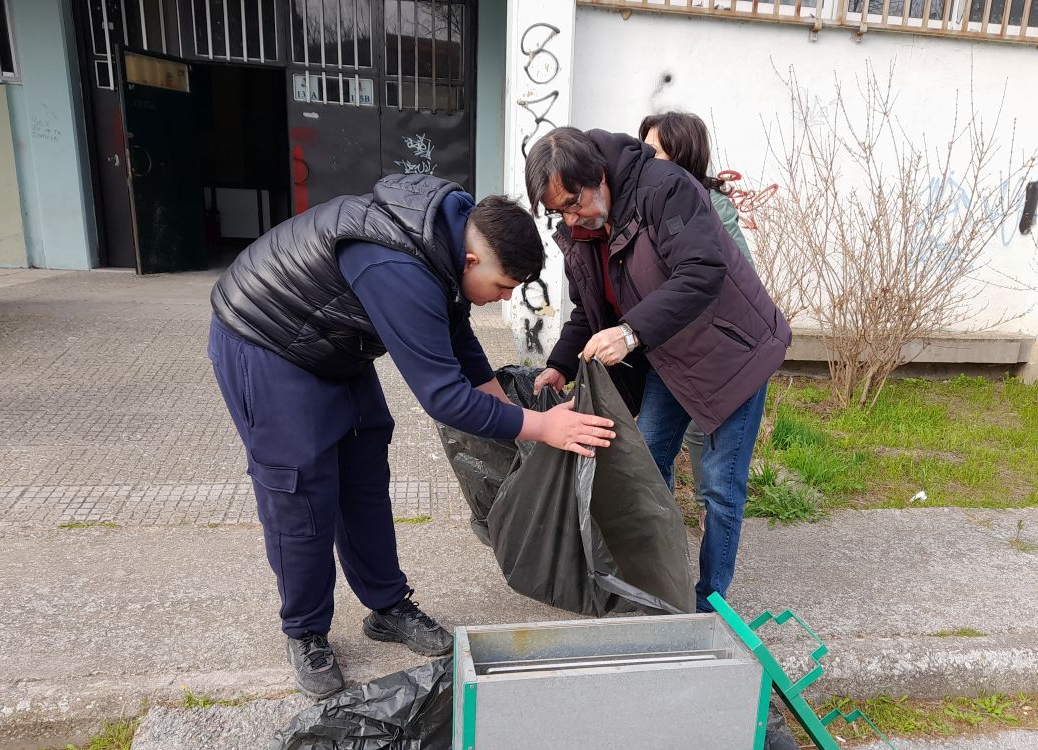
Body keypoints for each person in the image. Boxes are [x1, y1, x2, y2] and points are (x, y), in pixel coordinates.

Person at [208, 174, 617, 699]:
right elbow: (442, 398)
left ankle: (386, 605)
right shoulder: (395, 266)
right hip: (265, 339)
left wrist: (498, 397)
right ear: (473, 261)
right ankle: (306, 631)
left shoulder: (451, 234)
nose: (499, 301)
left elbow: (455, 327)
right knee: (302, 492)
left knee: (364, 472)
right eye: (502, 288)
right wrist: (541, 426)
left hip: (334, 343)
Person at [526, 127, 791, 613]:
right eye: (558, 211)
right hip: (669, 356)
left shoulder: (666, 189)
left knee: (719, 486)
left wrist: (629, 334)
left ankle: (711, 603)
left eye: (573, 202)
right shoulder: (582, 230)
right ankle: (663, 584)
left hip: (733, 353)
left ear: (598, 176)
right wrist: (559, 366)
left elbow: (702, 272)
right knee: (644, 463)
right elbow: (590, 308)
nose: (570, 217)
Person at [639, 111, 757, 528]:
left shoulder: (713, 208)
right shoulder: (644, 204)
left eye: (654, 152)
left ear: (683, 156)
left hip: (715, 356)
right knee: (653, 452)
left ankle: (710, 548)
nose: (644, 159)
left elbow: (739, 277)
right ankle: (667, 544)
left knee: (717, 477)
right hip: (670, 353)